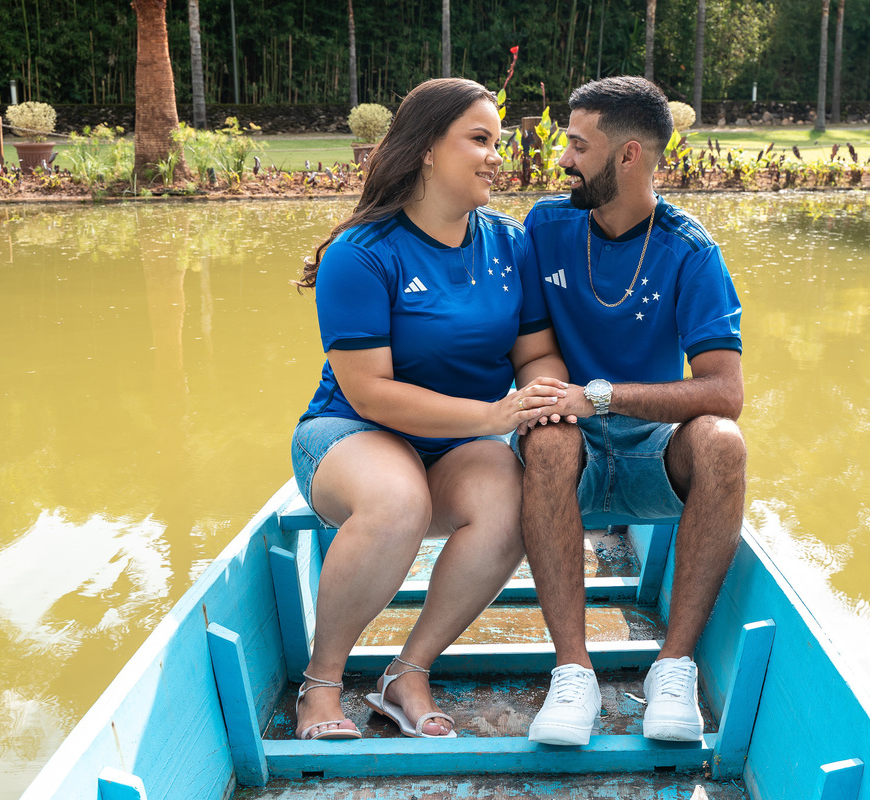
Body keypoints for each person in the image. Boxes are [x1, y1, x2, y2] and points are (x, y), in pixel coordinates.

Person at [290, 78, 568, 740]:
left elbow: (535, 353)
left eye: (498, 142)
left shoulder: (510, 242)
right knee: (398, 499)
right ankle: (321, 684)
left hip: (459, 444)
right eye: (479, 140)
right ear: (425, 150)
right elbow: (370, 391)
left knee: (511, 499)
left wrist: (544, 394)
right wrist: (493, 417)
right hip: (352, 435)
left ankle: (406, 673)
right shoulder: (362, 253)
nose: (498, 156)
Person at [513, 76, 747, 746]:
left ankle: (673, 667)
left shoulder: (691, 251)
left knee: (724, 442)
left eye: (578, 146)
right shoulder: (546, 226)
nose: (563, 160)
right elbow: (520, 340)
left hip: (652, 450)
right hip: (573, 447)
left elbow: (725, 391)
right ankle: (573, 672)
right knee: (551, 439)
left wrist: (605, 396)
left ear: (628, 157)